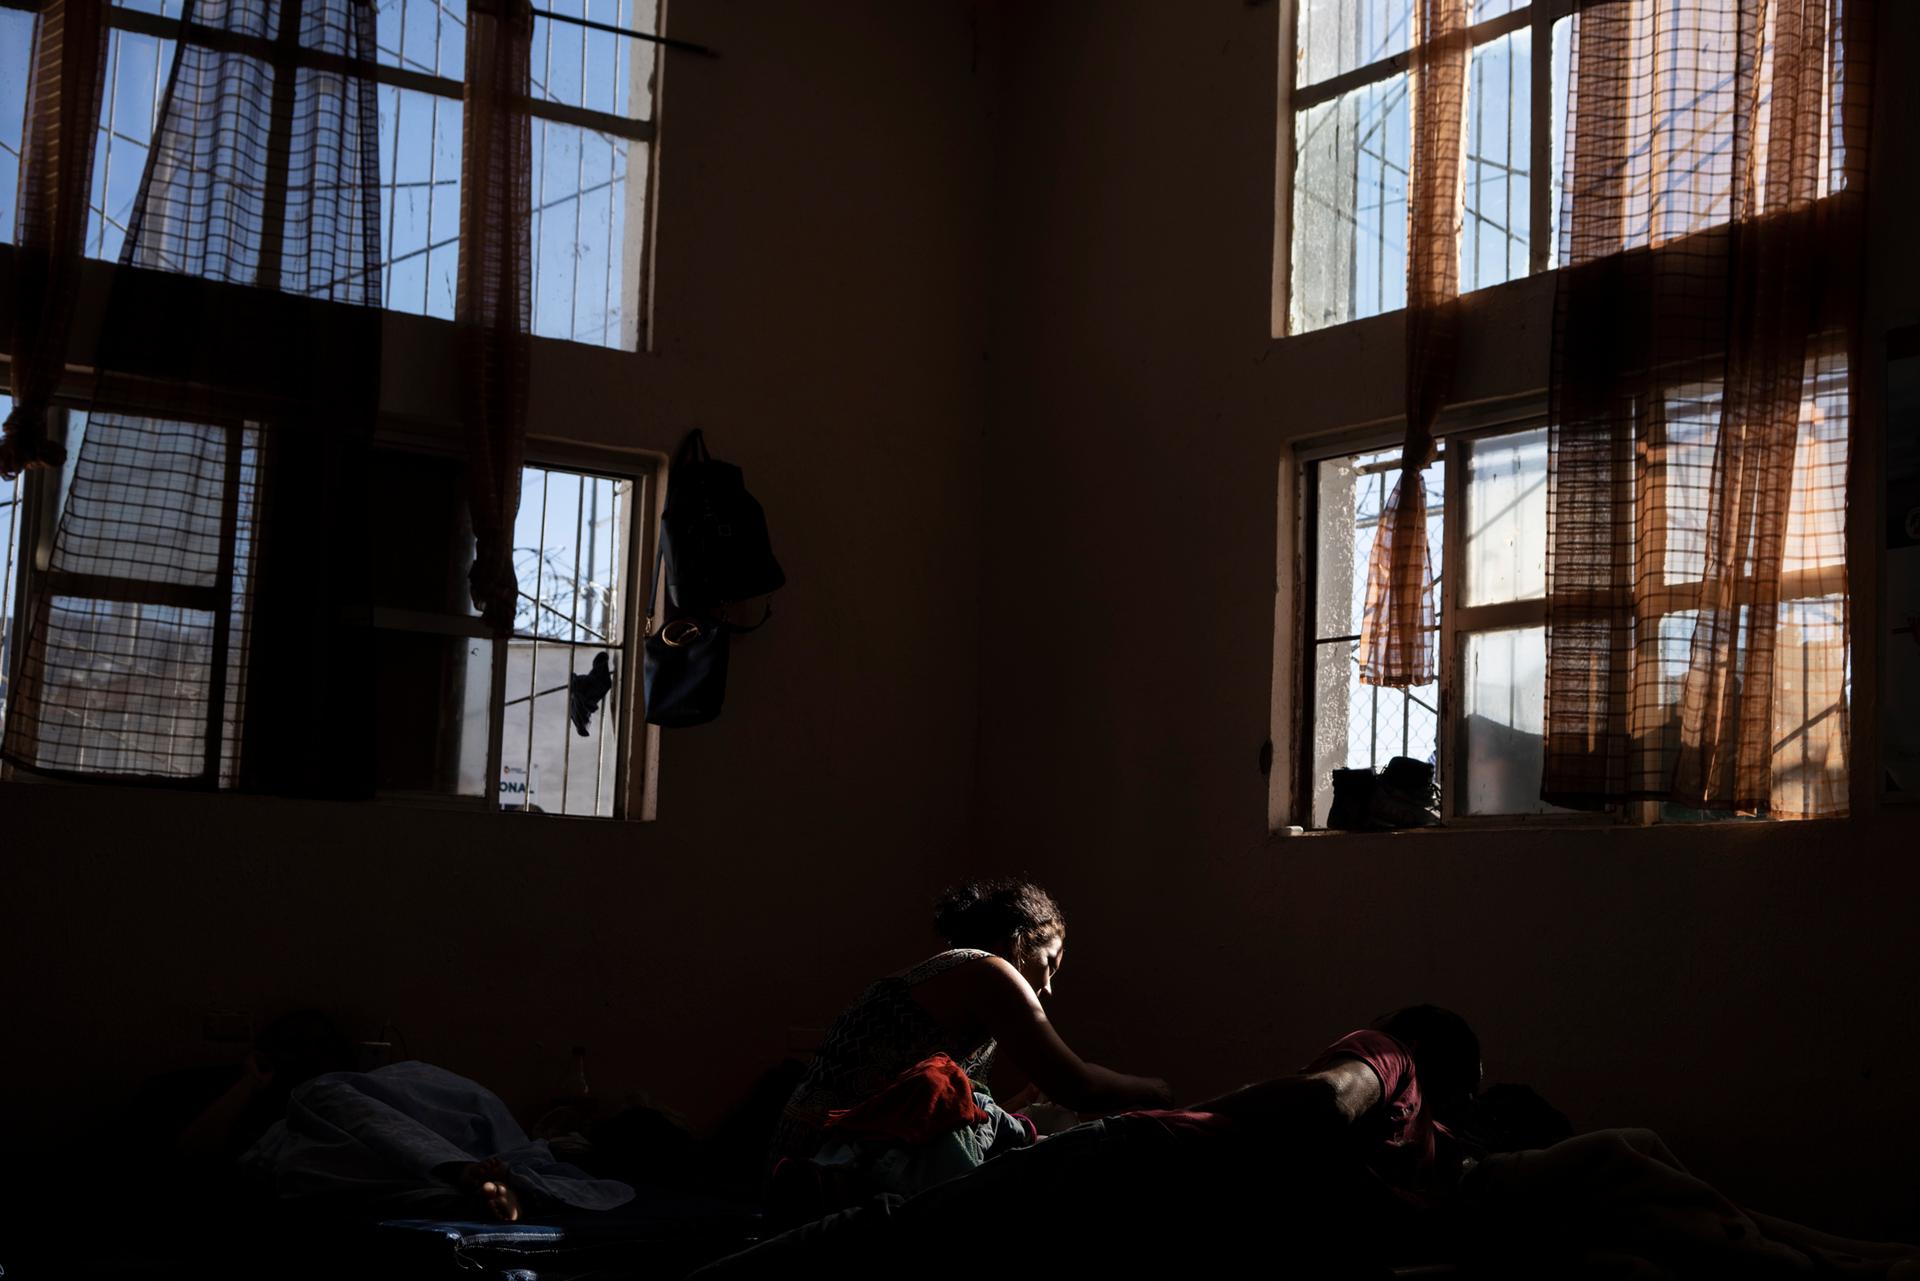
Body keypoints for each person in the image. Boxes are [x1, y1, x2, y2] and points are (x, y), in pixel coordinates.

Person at [769, 878, 1171, 1172]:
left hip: (799, 1151)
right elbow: (1077, 1085)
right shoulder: (987, 970)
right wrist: (1154, 1090)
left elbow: (941, 1111)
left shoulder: (942, 974)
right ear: (1019, 940)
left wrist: (1018, 1106)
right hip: (833, 1158)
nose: (1047, 989)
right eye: (1049, 963)